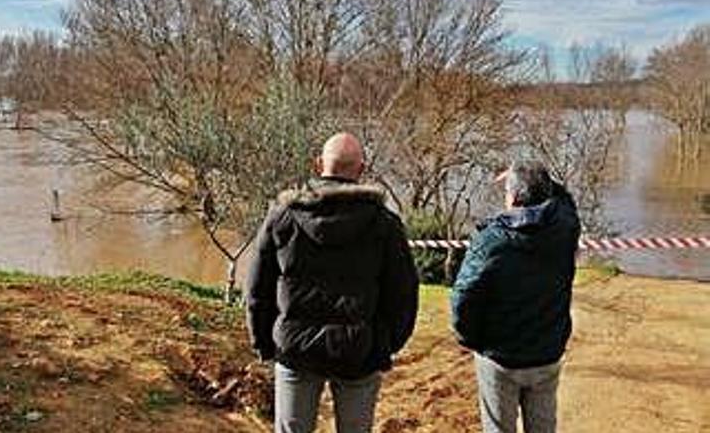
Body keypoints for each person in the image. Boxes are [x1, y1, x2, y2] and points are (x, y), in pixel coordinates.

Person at [246, 132, 418, 433]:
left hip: (295, 349)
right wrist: (385, 345)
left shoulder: (283, 217)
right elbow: (403, 294)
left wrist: (263, 341)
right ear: (361, 169)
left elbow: (257, 287)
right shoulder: (384, 224)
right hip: (359, 351)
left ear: (318, 165)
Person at [450, 160, 581, 433]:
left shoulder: (491, 240)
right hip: (546, 353)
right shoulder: (565, 229)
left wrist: (472, 339)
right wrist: (538, 181)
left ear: (511, 197)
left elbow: (463, 296)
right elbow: (566, 200)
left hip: (499, 357)